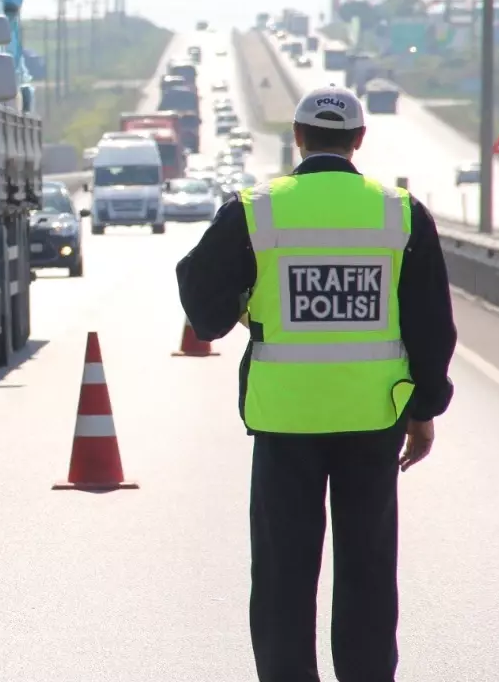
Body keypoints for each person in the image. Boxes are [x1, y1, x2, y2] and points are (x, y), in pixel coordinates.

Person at [175, 84, 457, 682]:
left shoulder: (257, 210)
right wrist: (425, 409)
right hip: (373, 420)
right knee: (368, 568)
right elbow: (431, 323)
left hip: (285, 422)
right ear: (359, 140)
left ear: (298, 138)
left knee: (283, 574)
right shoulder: (400, 212)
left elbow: (204, 309)